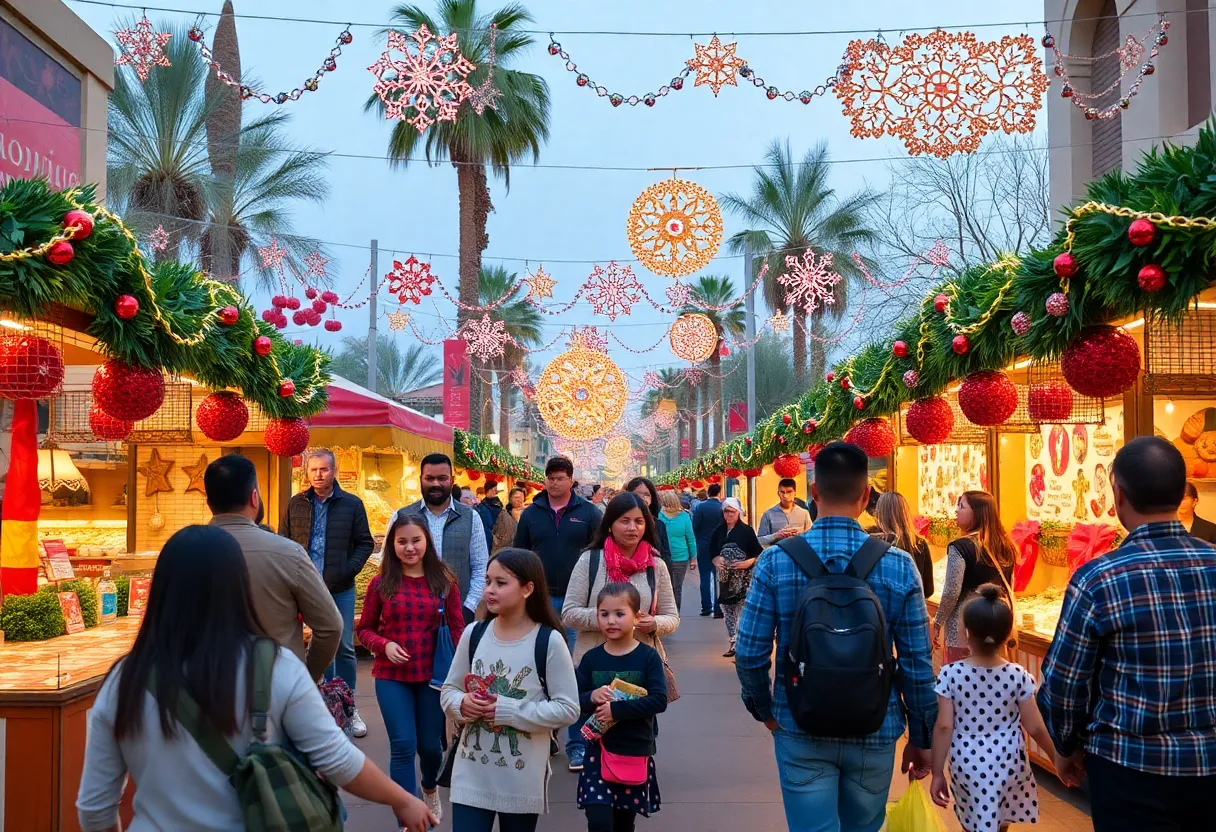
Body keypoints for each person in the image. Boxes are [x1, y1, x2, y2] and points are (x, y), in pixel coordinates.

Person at [76, 526, 435, 832]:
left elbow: (94, 807)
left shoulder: (125, 678)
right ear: (239, 585)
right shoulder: (276, 667)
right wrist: (403, 800)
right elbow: (337, 761)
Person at [734, 442, 935, 832]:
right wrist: (922, 734)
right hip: (876, 724)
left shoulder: (777, 560)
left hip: (799, 721)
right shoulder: (897, 564)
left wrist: (766, 710)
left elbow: (750, 653)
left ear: (813, 493)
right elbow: (917, 663)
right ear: (865, 496)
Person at [1038, 436, 1216, 830]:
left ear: (1118, 494)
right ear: (1180, 490)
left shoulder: (1099, 577)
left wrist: (1065, 747)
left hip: (1129, 767)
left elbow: (1064, 683)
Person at [441, 548, 580, 832]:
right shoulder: (474, 633)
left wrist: (507, 710)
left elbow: (568, 708)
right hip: (471, 773)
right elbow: (449, 691)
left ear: (528, 588)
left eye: (501, 583)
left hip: (521, 779)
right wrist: (462, 703)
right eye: (488, 581)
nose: (489, 590)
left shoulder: (549, 641)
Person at [356, 513, 465, 825]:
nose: (409, 547)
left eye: (415, 540)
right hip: (392, 677)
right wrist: (383, 645)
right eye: (401, 541)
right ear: (392, 544)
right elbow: (364, 630)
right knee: (402, 746)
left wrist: (463, 675)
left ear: (427, 541)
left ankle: (429, 787)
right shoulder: (382, 583)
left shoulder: (445, 582)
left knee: (430, 748)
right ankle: (408, 819)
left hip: (433, 678)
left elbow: (458, 631)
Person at [563, 493, 680, 772]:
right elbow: (569, 612)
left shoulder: (656, 565)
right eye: (624, 521)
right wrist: (609, 619)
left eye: (639, 521)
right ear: (610, 524)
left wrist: (654, 623)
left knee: (636, 735)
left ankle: (632, 778)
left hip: (640, 662)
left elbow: (672, 616)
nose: (632, 528)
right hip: (595, 659)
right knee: (591, 732)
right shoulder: (591, 561)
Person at [930, 585, 1059, 831]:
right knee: (999, 818)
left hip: (966, 760)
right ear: (1007, 633)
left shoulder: (951, 674)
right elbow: (1035, 726)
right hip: (1009, 760)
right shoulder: (1018, 675)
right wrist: (1056, 759)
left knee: (973, 820)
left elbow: (944, 726)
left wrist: (937, 773)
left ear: (967, 632)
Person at [204, 454, 342, 682]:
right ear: (254, 497)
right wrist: (307, 676)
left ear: (209, 502)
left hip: (206, 690)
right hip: (276, 690)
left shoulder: (179, 551)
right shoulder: (288, 553)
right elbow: (331, 627)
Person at [280, 448, 375, 736]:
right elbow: (283, 541)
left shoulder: (352, 504)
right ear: (306, 473)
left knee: (343, 646)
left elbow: (365, 543)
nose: (319, 475)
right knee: (305, 646)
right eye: (314, 470)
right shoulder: (296, 503)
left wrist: (348, 569)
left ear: (334, 471)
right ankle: (319, 705)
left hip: (339, 586)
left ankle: (347, 706)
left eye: (324, 469)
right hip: (302, 587)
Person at [575, 582, 667, 831]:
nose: (611, 621)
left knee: (624, 822)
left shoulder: (648, 657)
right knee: (599, 821)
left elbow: (659, 699)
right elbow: (573, 700)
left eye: (619, 614)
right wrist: (591, 696)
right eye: (604, 614)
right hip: (598, 750)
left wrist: (617, 710)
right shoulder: (591, 658)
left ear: (637, 617)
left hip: (634, 749)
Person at [513, 456, 600, 649]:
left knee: (574, 648)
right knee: (541, 644)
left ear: (571, 480)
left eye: (560, 478)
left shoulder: (589, 513)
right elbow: (519, 553)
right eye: (550, 478)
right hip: (541, 593)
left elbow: (600, 551)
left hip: (578, 595)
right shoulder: (531, 514)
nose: (554, 483)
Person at [393, 453, 488, 625]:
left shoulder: (470, 517)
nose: (436, 483)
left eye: (442, 478)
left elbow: (480, 567)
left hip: (458, 614)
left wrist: (469, 607)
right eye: (429, 478)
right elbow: (389, 564)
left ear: (451, 480)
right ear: (420, 479)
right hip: (411, 613)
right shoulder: (401, 516)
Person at [933, 491, 1016, 665]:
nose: (956, 510)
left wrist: (937, 622)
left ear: (977, 513)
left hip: (964, 633)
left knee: (963, 684)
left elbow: (951, 592)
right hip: (997, 631)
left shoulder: (960, 547)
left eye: (961, 506)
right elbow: (1010, 586)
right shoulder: (1006, 546)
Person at [710, 497, 764, 658]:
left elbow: (757, 552)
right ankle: (733, 638)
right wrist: (716, 559)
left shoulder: (746, 531)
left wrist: (747, 562)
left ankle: (738, 641)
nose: (729, 515)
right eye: (726, 511)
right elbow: (711, 551)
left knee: (741, 609)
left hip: (742, 578)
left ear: (738, 513)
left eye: (732, 512)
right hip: (724, 578)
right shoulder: (718, 531)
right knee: (727, 610)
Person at [872, 492, 934, 597]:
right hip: (911, 607)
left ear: (879, 514)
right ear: (905, 513)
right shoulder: (919, 544)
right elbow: (928, 590)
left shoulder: (872, 542)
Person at [624, 476, 675, 581]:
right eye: (638, 494)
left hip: (653, 580)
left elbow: (666, 556)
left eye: (647, 494)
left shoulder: (659, 525)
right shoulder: (620, 523)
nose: (643, 498)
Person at [657, 489, 696, 614]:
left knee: (671, 586)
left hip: (672, 556)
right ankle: (673, 612)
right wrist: (693, 558)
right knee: (675, 587)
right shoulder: (661, 515)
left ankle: (672, 613)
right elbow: (690, 539)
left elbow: (690, 538)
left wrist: (693, 557)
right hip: (673, 556)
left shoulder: (660, 515)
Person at [691, 483, 724, 618]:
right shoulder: (722, 508)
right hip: (719, 545)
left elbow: (695, 526)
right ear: (719, 493)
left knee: (704, 575)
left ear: (708, 492)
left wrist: (699, 538)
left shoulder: (700, 507)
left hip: (703, 544)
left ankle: (706, 606)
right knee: (719, 576)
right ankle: (718, 607)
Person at [756, 478, 813, 547]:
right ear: (778, 493)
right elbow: (759, 540)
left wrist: (799, 535)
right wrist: (776, 536)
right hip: (777, 553)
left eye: (789, 492)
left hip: (799, 553)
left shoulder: (804, 514)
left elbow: (811, 537)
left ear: (795, 493)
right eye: (782, 492)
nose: (785, 496)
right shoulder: (768, 514)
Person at [493, 485, 527, 552]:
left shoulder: (527, 513)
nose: (519, 500)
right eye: (516, 497)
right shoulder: (503, 514)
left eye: (521, 498)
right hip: (504, 551)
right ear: (510, 499)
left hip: (522, 551)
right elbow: (498, 535)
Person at [476, 480, 504, 552]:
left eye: (495, 490)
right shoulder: (482, 504)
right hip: (489, 533)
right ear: (488, 490)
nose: (494, 492)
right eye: (493, 489)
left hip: (499, 532)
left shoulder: (497, 503)